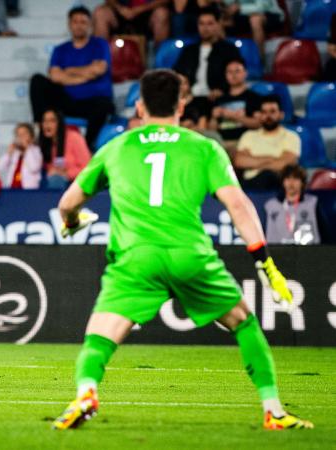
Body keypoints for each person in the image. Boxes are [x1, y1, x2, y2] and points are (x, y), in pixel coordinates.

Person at [53, 69, 312, 431]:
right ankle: (274, 411)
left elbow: (67, 203)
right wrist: (264, 263)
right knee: (244, 322)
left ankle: (86, 392)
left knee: (100, 334)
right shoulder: (204, 147)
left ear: (140, 106)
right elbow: (239, 206)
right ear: (182, 105)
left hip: (136, 257)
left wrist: (71, 222)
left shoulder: (117, 147)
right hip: (190, 255)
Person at [29, 6, 114, 150]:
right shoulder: (60, 49)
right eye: (75, 21)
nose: (79, 25)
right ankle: (42, 132)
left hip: (93, 102)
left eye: (83, 22)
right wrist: (86, 74)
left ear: (90, 25)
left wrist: (68, 72)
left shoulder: (100, 44)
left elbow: (99, 69)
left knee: (104, 105)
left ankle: (86, 148)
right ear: (69, 24)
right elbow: (55, 76)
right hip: (67, 100)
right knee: (37, 80)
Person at [173, 6, 241, 101]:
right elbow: (178, 73)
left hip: (218, 100)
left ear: (218, 24)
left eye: (210, 24)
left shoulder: (229, 50)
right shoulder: (189, 50)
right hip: (191, 99)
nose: (205, 28)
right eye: (201, 24)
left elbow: (236, 74)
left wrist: (221, 90)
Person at [234, 95, 299, 191]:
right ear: (259, 115)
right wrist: (272, 159)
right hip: (250, 183)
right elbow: (239, 161)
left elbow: (285, 164)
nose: (268, 116)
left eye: (272, 111)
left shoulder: (291, 137)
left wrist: (254, 162)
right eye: (264, 112)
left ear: (281, 115)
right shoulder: (248, 136)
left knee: (268, 174)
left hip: (277, 183)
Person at [209, 58, 261, 150]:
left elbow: (258, 124)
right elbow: (212, 130)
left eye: (237, 71)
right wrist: (214, 117)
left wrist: (233, 116)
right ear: (225, 75)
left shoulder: (254, 97)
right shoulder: (219, 99)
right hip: (221, 143)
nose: (233, 75)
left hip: (245, 143)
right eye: (229, 72)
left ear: (245, 73)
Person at [264, 164, 322, 245]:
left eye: (296, 178)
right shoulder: (270, 205)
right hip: (277, 252)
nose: (291, 183)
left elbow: (324, 232)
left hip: (309, 252)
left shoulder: (313, 203)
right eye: (287, 178)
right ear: (282, 182)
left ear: (302, 182)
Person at [39, 109, 91, 189]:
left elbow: (88, 167)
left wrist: (67, 174)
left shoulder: (74, 137)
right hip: (55, 182)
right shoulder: (46, 143)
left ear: (60, 123)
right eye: (44, 121)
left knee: (56, 180)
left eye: (52, 121)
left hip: (76, 184)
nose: (47, 124)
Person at [92, 0, 171, 46]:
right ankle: (100, 57)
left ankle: (160, 59)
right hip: (122, 13)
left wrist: (139, 9)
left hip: (147, 13)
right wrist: (120, 9)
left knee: (162, 13)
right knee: (100, 13)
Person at [0, 123, 43, 189]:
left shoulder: (35, 150)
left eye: (24, 134)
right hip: (12, 188)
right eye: (18, 134)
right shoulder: (14, 152)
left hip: (29, 189)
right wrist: (8, 153)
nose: (21, 136)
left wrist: (27, 147)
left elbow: (34, 167)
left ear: (31, 136)